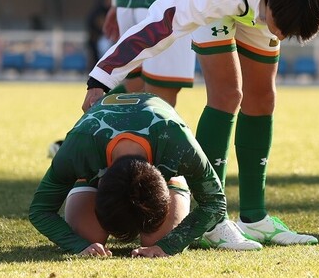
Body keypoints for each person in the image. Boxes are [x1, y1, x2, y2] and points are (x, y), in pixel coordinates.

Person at [81, 0, 319, 247]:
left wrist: (277, 25)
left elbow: (296, 11)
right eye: (274, 26)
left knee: (263, 97)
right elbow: (157, 25)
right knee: (227, 93)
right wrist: (102, 77)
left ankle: (254, 217)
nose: (278, 36)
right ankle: (212, 217)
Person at [29, 92, 232, 257]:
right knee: (89, 238)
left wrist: (168, 246)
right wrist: (77, 245)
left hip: (164, 164)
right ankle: (87, 185)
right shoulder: (78, 148)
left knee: (157, 241)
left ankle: (174, 180)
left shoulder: (178, 143)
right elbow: (40, 211)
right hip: (94, 168)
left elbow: (215, 202)